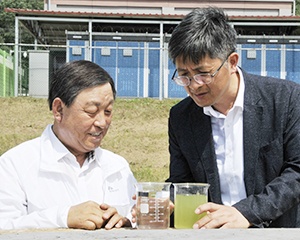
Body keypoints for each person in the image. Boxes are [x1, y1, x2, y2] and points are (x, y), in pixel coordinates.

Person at [166, 7, 300, 228]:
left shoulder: (286, 100)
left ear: (232, 61)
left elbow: (296, 172)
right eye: (184, 76)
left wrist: (247, 213)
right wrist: (163, 202)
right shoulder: (181, 117)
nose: (194, 85)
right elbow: (182, 183)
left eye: (203, 74)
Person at [0, 60, 136, 230]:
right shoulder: (14, 165)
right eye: (91, 111)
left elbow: (136, 213)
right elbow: (4, 226)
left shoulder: (118, 166)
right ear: (58, 109)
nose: (102, 122)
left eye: (107, 111)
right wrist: (63, 217)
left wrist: (126, 220)